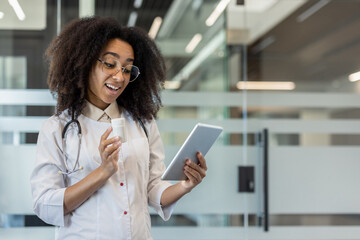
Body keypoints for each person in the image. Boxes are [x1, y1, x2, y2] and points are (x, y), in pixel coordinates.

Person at [30, 16, 207, 240]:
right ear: (84, 63)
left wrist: (185, 185)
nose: (119, 76)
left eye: (127, 69)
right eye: (110, 64)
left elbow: (152, 188)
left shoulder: (142, 123)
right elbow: (45, 204)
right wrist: (102, 172)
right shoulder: (57, 129)